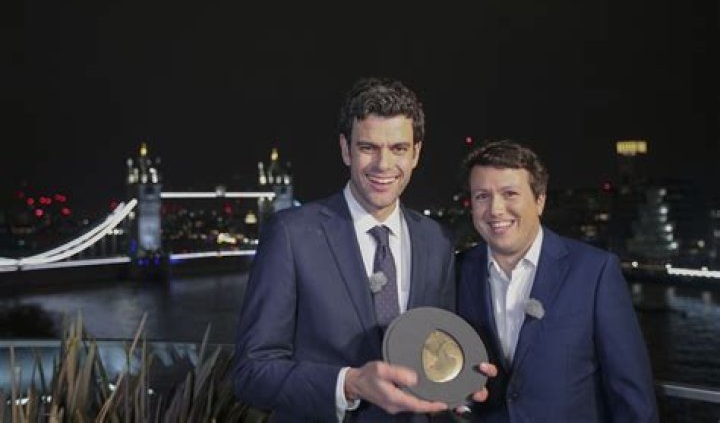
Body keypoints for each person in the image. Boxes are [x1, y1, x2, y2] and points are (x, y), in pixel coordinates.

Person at [234, 78, 495, 422]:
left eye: (398, 148)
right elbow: (251, 372)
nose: (383, 165)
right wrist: (349, 384)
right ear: (346, 149)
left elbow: (436, 348)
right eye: (369, 147)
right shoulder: (290, 235)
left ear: (416, 153)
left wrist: (459, 392)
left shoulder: (437, 241)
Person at [456, 139, 659, 422]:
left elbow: (631, 395)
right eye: (482, 196)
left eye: (510, 194)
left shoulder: (594, 272)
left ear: (540, 200)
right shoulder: (458, 270)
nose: (495, 209)